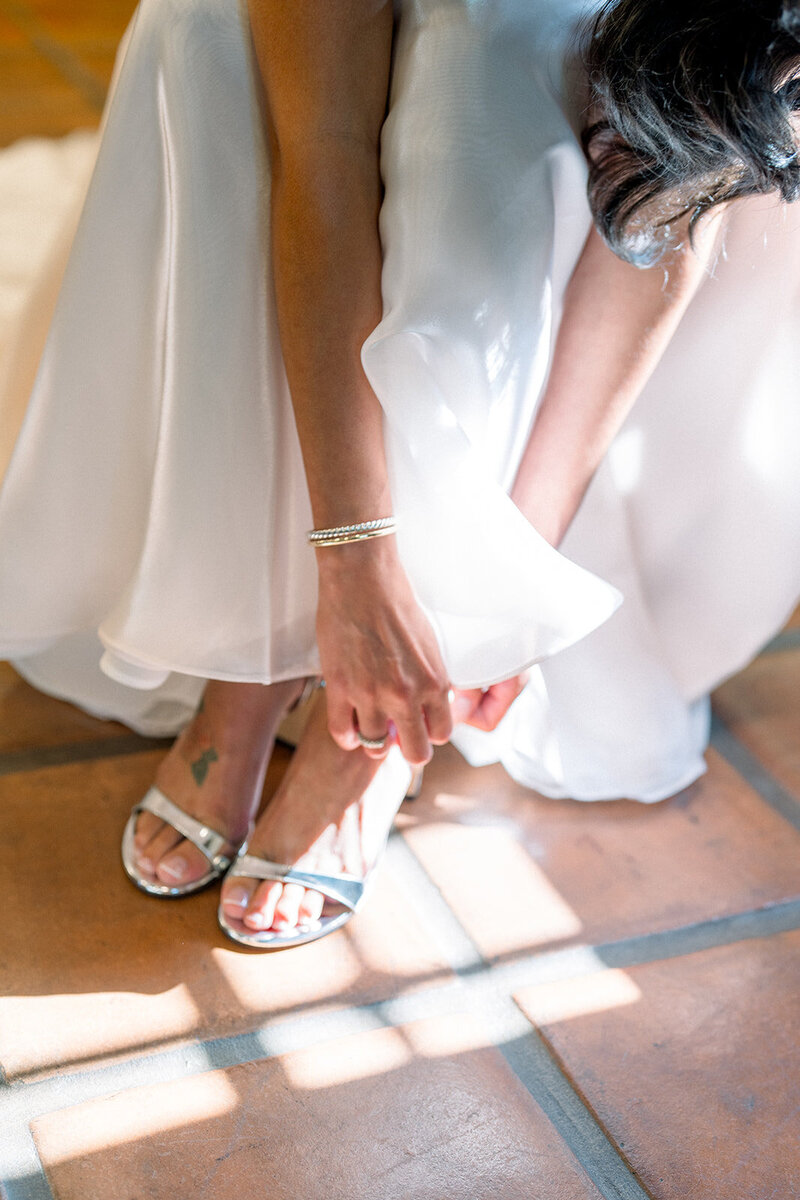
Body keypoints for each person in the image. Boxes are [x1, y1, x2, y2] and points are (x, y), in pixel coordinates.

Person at [1, 0, 799, 947]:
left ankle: (370, 734)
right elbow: (321, 156)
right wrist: (352, 559)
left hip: (631, 142)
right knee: (206, 30)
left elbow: (677, 189)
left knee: (486, 73)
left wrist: (507, 586)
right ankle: (257, 653)